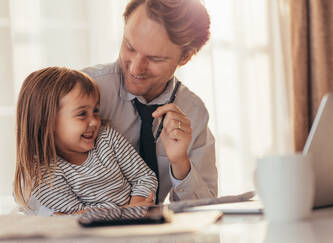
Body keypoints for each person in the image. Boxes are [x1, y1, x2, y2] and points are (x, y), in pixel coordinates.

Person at [83, 0, 218, 202]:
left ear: (185, 57)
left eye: (155, 59)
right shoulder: (83, 92)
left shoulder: (193, 112)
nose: (135, 69)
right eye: (129, 47)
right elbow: (26, 185)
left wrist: (180, 163)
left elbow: (205, 208)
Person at [13, 67, 158, 215]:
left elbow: (144, 176)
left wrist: (137, 205)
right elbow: (78, 219)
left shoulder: (106, 137)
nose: (95, 122)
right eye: (82, 114)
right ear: (47, 123)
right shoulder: (45, 174)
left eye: (95, 111)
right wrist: (127, 213)